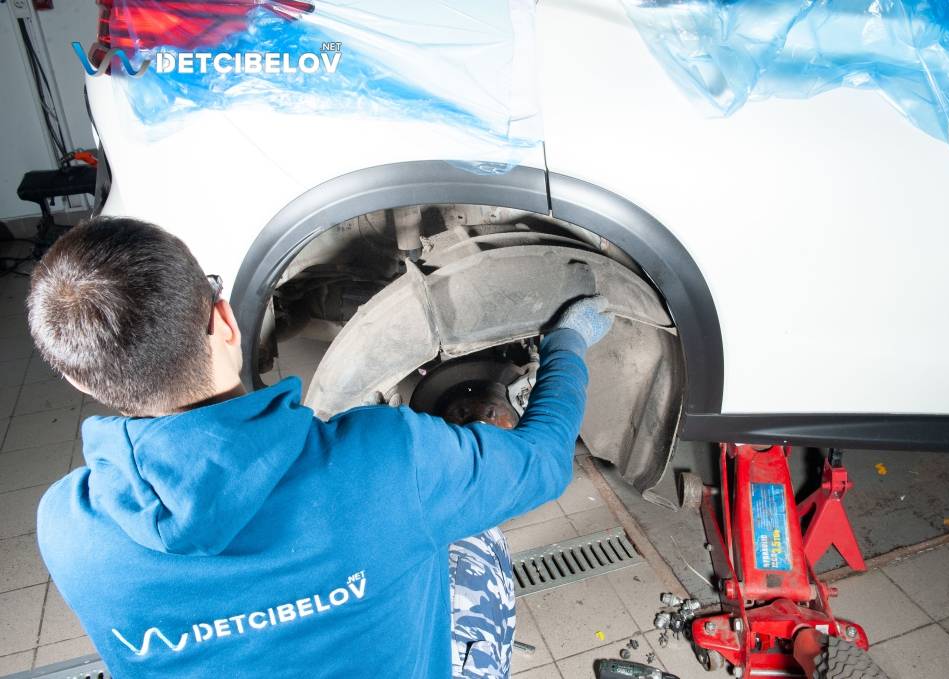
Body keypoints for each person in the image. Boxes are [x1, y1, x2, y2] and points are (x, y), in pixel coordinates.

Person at [26, 216, 614, 678]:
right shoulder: (389, 459)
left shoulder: (67, 529)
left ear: (79, 378)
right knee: (473, 529)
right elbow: (543, 462)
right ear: (224, 321)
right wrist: (567, 343)